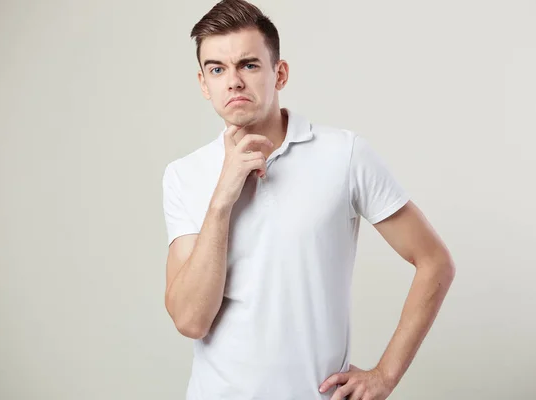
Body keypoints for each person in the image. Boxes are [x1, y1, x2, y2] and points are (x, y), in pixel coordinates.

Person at [161, 1, 455, 399]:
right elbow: (191, 321)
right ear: (203, 84)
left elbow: (434, 261)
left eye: (248, 64)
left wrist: (385, 375)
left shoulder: (344, 154)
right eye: (217, 69)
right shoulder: (184, 175)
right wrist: (222, 199)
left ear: (279, 73)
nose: (233, 81)